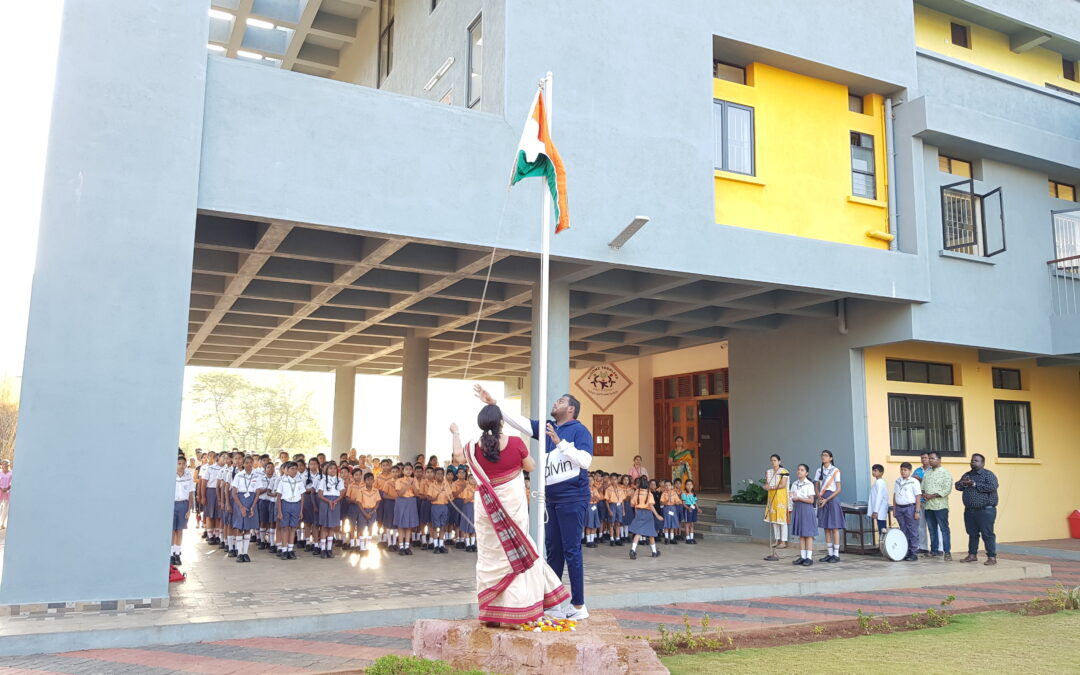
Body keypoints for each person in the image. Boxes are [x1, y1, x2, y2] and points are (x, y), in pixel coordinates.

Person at [474, 384, 594, 622]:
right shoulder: (548, 428)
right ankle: (555, 603)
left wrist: (561, 443)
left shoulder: (579, 431)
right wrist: (494, 404)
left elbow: (585, 460)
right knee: (553, 551)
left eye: (560, 401)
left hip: (573, 497)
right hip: (552, 498)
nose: (554, 403)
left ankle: (579, 605)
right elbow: (521, 423)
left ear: (571, 409)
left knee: (572, 551)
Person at [450, 406, 570, 627]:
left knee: (490, 557)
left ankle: (494, 612)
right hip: (513, 505)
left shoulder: (473, 448)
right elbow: (531, 467)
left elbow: (457, 457)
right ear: (501, 422)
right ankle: (520, 608)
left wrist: (455, 432)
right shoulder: (515, 443)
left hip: (487, 509)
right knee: (519, 550)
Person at [956, 454, 999, 566]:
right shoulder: (967, 475)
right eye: (972, 460)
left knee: (987, 534)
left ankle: (991, 557)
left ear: (983, 463)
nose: (973, 462)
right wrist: (963, 483)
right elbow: (957, 486)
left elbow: (993, 486)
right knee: (972, 533)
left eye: (976, 461)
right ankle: (972, 555)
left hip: (985, 510)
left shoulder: (988, 474)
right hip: (970, 510)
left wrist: (974, 484)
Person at [921, 451, 953, 561]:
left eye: (932, 458)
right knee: (932, 529)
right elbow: (923, 486)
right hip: (928, 506)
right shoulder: (927, 473)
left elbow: (947, 489)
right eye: (929, 458)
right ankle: (934, 551)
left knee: (944, 529)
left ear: (939, 460)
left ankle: (947, 552)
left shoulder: (945, 473)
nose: (930, 460)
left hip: (940, 506)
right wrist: (925, 494)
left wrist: (932, 496)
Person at [814, 450, 843, 563]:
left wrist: (827, 499)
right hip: (822, 498)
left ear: (831, 458)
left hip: (832, 498)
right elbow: (816, 486)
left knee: (834, 527)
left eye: (826, 455)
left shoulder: (835, 470)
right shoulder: (818, 470)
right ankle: (829, 553)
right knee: (826, 527)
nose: (823, 457)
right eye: (822, 455)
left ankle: (836, 554)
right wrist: (819, 497)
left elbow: (839, 488)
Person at [628, 475, 663, 559]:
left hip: (639, 513)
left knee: (638, 532)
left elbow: (631, 504)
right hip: (648, 514)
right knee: (651, 533)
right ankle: (654, 552)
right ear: (647, 485)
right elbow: (651, 505)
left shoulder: (636, 493)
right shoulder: (649, 494)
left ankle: (633, 550)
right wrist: (657, 515)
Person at [789, 464, 817, 566]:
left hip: (806, 509)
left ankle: (809, 557)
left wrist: (799, 498)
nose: (799, 472)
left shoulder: (809, 484)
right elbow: (791, 495)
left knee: (808, 534)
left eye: (802, 470)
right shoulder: (795, 484)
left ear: (806, 473)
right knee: (801, 534)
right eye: (798, 470)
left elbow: (811, 500)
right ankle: (802, 556)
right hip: (797, 508)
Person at [275, 461, 303, 560]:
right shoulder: (282, 481)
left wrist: (301, 510)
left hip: (296, 505)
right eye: (292, 469)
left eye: (296, 469)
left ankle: (290, 549)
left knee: (293, 528)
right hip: (285, 505)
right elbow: (278, 497)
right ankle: (284, 550)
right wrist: (279, 511)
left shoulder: (299, 481)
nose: (294, 471)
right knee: (284, 527)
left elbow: (302, 497)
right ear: (287, 470)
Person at [893, 462, 920, 562]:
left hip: (910, 508)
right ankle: (905, 551)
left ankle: (913, 553)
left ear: (910, 471)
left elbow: (918, 497)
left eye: (905, 470)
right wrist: (894, 509)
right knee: (903, 530)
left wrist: (917, 511)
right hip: (900, 508)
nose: (903, 472)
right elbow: (895, 495)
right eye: (901, 470)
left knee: (912, 531)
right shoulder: (897, 481)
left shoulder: (914, 481)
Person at [172, 455, 195, 566]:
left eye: (183, 464)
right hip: (172, 504)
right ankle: (171, 554)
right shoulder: (171, 474)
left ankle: (177, 553)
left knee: (179, 530)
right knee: (172, 530)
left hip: (183, 504)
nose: (181, 466)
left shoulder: (188, 475)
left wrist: (189, 509)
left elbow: (191, 494)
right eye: (179, 464)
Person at [764, 454, 790, 549]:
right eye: (772, 460)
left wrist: (771, 487)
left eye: (775, 460)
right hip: (772, 497)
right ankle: (776, 540)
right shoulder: (769, 472)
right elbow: (767, 483)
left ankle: (783, 541)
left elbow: (783, 485)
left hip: (781, 497)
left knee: (782, 520)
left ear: (779, 461)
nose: (773, 462)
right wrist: (766, 487)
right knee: (774, 520)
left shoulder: (784, 472)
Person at [912, 452, 931, 553]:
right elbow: (912, 482)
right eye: (922, 458)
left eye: (926, 458)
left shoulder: (932, 470)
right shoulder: (917, 470)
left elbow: (932, 482)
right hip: (920, 502)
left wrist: (920, 479)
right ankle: (923, 547)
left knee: (933, 526)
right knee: (920, 525)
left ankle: (938, 548)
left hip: (931, 502)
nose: (924, 460)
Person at [867, 464, 889, 534]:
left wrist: (875, 511)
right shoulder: (877, 482)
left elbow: (879, 497)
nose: (873, 472)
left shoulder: (880, 482)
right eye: (873, 471)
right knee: (881, 528)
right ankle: (882, 543)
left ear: (881, 472)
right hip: (879, 510)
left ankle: (883, 543)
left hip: (880, 510)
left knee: (882, 529)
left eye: (875, 471)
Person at [681, 479, 698, 544]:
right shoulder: (684, 493)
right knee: (687, 524)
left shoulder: (693, 493)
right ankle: (687, 538)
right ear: (685, 485)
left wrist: (698, 508)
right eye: (687, 484)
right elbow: (683, 503)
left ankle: (692, 537)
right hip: (687, 509)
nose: (689, 486)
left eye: (690, 484)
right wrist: (688, 508)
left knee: (692, 524)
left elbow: (695, 502)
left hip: (693, 508)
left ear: (693, 486)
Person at [0, 459, 13, 530]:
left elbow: (13, 482)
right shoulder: (0, 472)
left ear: (8, 465)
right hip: (0, 491)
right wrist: (1, 488)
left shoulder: (11, 473)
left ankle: (2, 523)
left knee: (6, 508)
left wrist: (8, 488)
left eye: (5, 464)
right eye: (3, 464)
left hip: (8, 492)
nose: (3, 465)